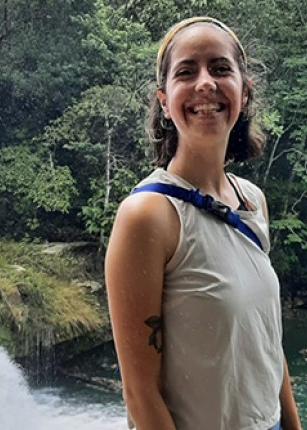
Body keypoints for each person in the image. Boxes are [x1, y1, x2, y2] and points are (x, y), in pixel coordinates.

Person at [105, 17, 302, 430]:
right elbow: (141, 394)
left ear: (244, 94)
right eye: (186, 71)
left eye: (220, 68)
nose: (205, 83)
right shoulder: (148, 216)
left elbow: (267, 341)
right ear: (164, 100)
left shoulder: (252, 201)